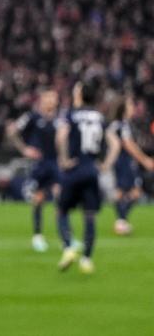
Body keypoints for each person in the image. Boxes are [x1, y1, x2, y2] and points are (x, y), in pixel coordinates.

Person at [55, 81, 120, 274]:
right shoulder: (100, 117)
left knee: (61, 212)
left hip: (74, 170)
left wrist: (64, 159)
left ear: (80, 95)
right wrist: (106, 165)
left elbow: (60, 136)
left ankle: (68, 247)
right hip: (92, 170)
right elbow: (115, 144)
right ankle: (87, 260)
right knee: (89, 216)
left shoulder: (71, 115)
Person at [5, 89, 60, 252]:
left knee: (61, 197)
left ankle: (65, 236)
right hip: (40, 164)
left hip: (57, 163)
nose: (53, 101)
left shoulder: (60, 118)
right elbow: (11, 130)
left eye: (55, 98)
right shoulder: (32, 117)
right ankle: (37, 236)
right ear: (43, 100)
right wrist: (24, 149)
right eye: (50, 98)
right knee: (39, 198)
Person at [110, 95, 154, 235]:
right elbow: (128, 145)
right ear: (123, 108)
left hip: (120, 162)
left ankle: (121, 220)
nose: (132, 108)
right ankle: (121, 221)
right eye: (130, 105)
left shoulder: (118, 124)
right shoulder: (122, 125)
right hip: (124, 162)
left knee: (121, 192)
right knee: (135, 192)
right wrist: (144, 160)